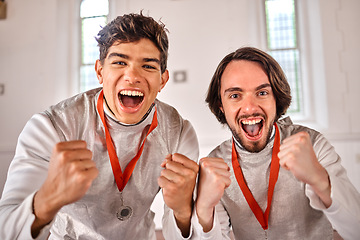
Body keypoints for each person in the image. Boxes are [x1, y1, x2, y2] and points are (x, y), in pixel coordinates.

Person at [0, 12, 199, 240]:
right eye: (120, 62)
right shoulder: (52, 127)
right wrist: (47, 199)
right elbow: (6, 228)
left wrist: (183, 210)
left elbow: (181, 234)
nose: (132, 76)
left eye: (148, 66)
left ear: (162, 80)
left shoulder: (180, 133)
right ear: (99, 71)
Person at [194, 47, 360, 239]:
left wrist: (320, 180)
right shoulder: (215, 165)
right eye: (235, 95)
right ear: (221, 106)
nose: (249, 107)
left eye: (262, 93)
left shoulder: (312, 145)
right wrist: (204, 208)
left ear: (276, 98)